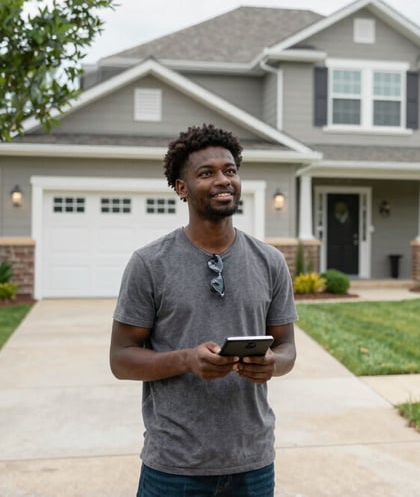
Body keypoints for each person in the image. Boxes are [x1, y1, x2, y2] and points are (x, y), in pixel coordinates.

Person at [109, 124, 297, 497]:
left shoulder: (270, 262)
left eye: (229, 170)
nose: (222, 180)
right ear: (181, 188)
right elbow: (121, 359)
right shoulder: (150, 263)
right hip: (175, 465)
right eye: (206, 173)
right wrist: (186, 360)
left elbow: (287, 347)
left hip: (253, 462)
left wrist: (273, 363)